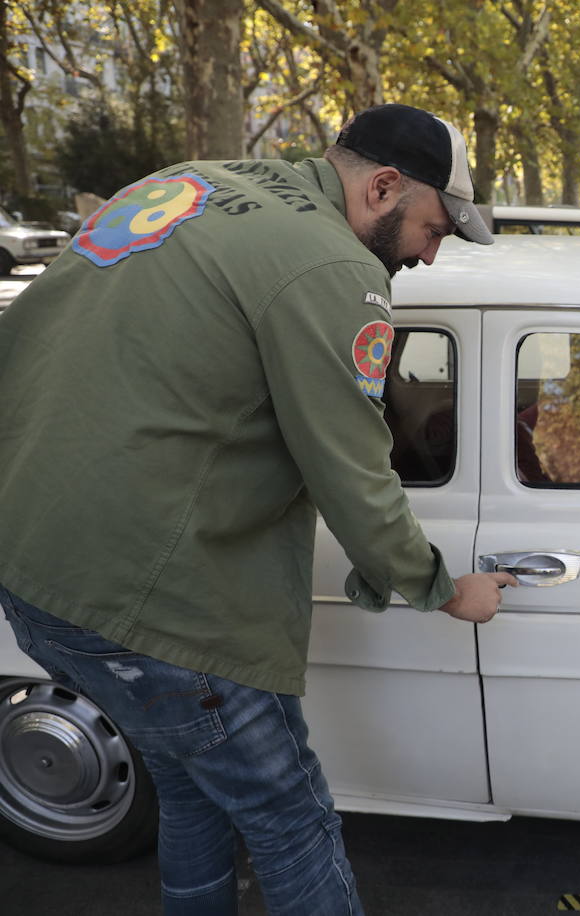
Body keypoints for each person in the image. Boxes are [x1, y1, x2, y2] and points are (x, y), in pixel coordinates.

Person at [0, 103, 518, 914]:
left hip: (32, 564)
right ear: (383, 187)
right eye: (436, 226)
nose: (431, 249)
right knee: (291, 819)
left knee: (192, 786)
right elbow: (353, 471)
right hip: (158, 607)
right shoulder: (333, 269)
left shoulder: (188, 182)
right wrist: (449, 590)